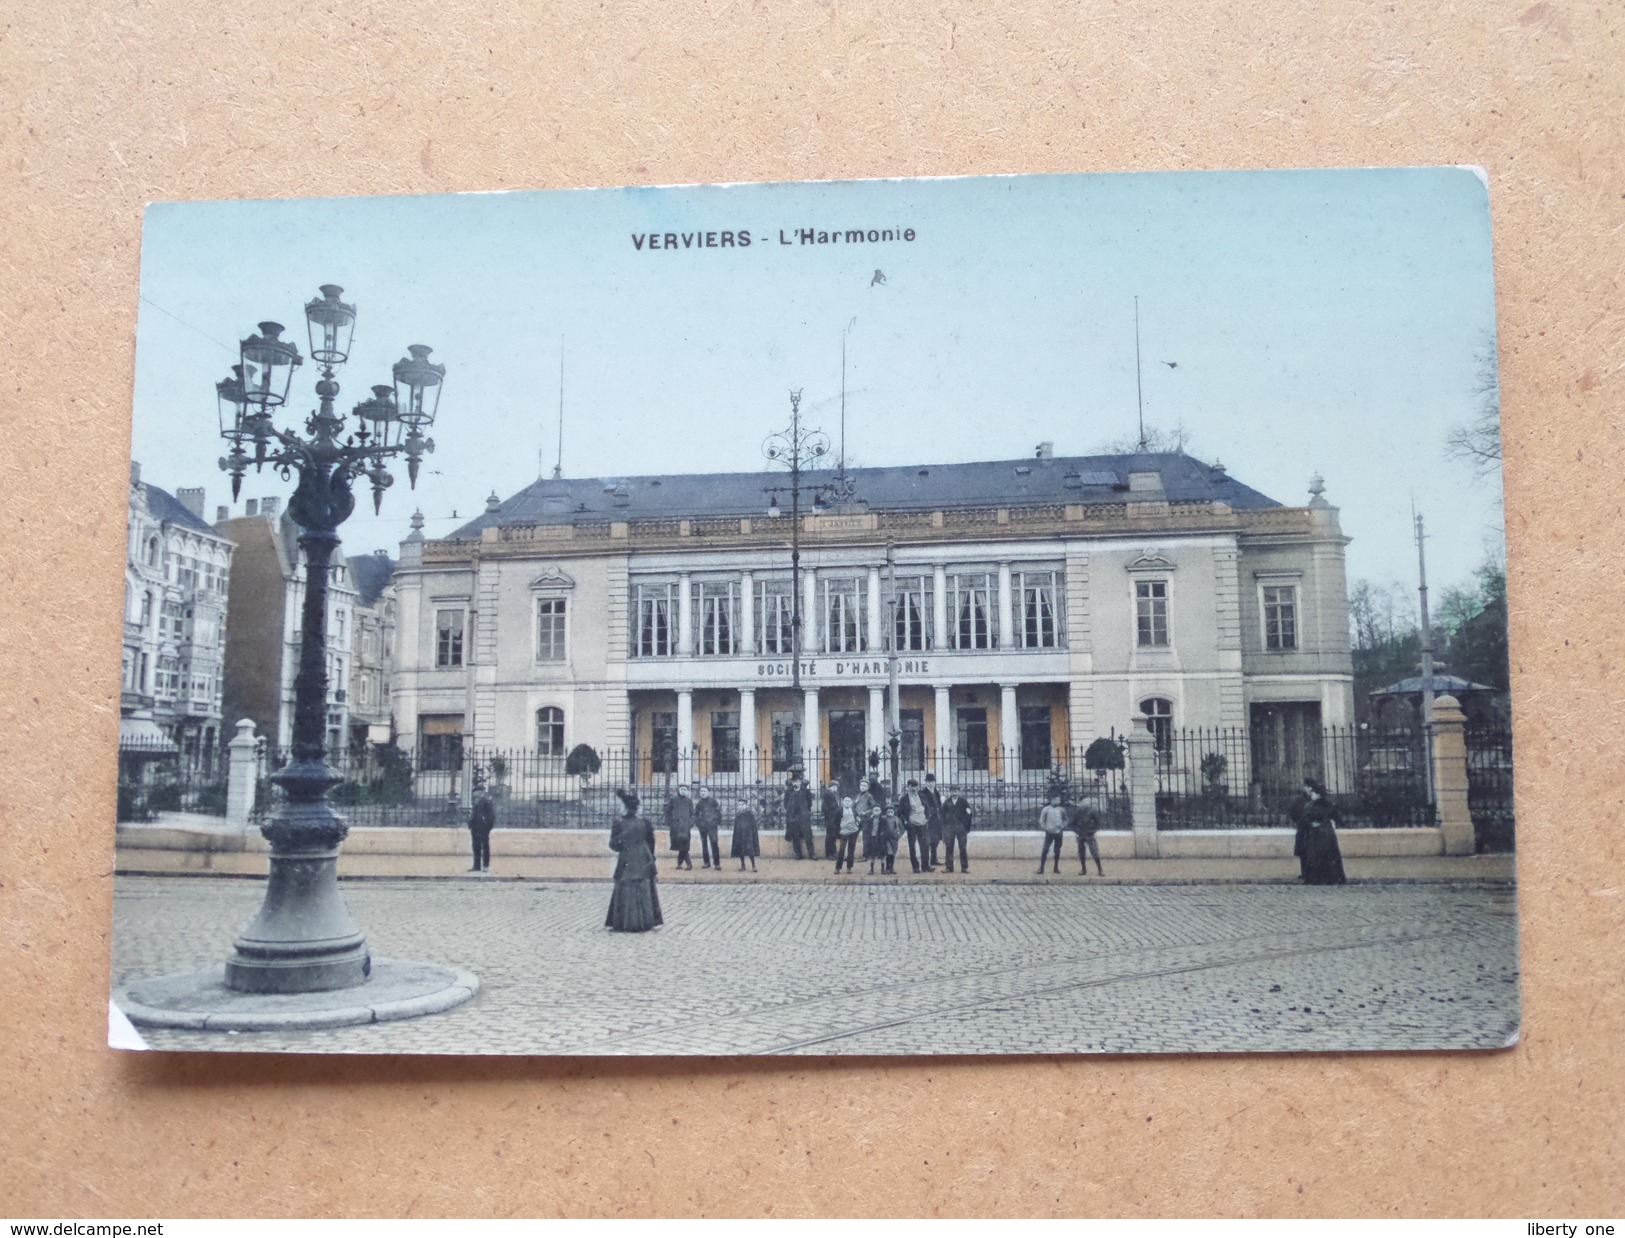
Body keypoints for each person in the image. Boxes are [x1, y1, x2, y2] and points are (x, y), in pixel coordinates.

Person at [606, 788, 663, 932]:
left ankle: (624, 922)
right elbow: (651, 843)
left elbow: (614, 845)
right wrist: (650, 858)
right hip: (644, 859)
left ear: (625, 807)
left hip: (626, 859)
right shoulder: (646, 823)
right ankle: (647, 921)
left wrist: (622, 844)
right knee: (645, 889)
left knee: (625, 889)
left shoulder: (619, 824)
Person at [1290, 777, 1347, 884]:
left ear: (1317, 794)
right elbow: (1338, 819)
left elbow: (1303, 820)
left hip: (1315, 835)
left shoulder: (1309, 806)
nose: (1312, 795)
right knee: (1330, 857)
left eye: (1313, 793)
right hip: (1328, 834)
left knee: (1315, 857)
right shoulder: (1329, 805)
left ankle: (1316, 878)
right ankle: (1332, 877)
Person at [900, 778, 931, 873]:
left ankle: (925, 866)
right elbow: (900, 813)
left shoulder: (922, 796)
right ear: (908, 787)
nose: (914, 788)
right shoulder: (904, 798)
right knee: (912, 846)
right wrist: (906, 822)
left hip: (922, 823)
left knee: (925, 844)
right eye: (911, 786)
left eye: (916, 786)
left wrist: (927, 818)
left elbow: (927, 808)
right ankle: (915, 867)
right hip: (912, 824)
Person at [1069, 799, 1106, 876]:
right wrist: (1077, 831)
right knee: (1081, 852)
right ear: (1080, 803)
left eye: (1087, 801)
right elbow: (1071, 823)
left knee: (1094, 851)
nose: (1085, 803)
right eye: (1083, 802)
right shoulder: (1077, 812)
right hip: (1080, 834)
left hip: (1089, 834)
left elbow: (1099, 822)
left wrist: (1092, 830)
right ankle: (1083, 869)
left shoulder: (1092, 811)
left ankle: (1100, 869)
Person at [784, 771, 816, 860]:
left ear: (800, 782)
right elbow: (786, 804)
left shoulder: (805, 792)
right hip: (794, 818)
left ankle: (812, 854)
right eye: (794, 781)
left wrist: (805, 812)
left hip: (804, 817)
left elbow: (809, 804)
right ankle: (798, 854)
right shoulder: (788, 792)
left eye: (797, 781)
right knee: (795, 837)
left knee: (808, 836)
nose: (795, 783)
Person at [939, 785, 972, 873]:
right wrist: (945, 828)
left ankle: (964, 867)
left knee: (963, 847)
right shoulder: (947, 802)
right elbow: (942, 816)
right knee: (949, 847)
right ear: (950, 792)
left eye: (956, 791)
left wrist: (966, 827)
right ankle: (949, 867)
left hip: (961, 828)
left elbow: (969, 814)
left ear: (959, 792)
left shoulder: (963, 802)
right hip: (950, 828)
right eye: (952, 791)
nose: (954, 793)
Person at [664, 783, 695, 870]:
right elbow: (667, 812)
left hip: (685, 827)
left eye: (685, 790)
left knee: (684, 845)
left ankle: (687, 864)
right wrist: (670, 823)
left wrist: (690, 823)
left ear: (687, 791)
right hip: (676, 827)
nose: (683, 791)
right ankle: (681, 863)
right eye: (682, 789)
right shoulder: (673, 800)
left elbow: (692, 813)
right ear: (679, 790)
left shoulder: (689, 801)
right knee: (680, 845)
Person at [1038, 791, 1069, 874]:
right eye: (1055, 800)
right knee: (1045, 849)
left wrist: (1062, 826)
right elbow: (1041, 820)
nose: (1057, 801)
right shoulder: (1046, 809)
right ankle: (1041, 867)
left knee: (1057, 850)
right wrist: (1045, 828)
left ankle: (1056, 867)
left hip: (1058, 833)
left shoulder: (1061, 810)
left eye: (1058, 800)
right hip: (1049, 832)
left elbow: (1065, 819)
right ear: (1051, 800)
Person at [694, 784, 723, 869]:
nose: (703, 793)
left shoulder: (713, 802)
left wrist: (716, 822)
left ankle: (717, 863)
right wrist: (699, 824)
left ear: (708, 792)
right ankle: (706, 862)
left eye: (704, 791)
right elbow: (696, 815)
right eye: (701, 791)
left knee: (714, 843)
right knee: (704, 844)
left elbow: (718, 813)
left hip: (712, 826)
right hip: (703, 827)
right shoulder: (699, 804)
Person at [920, 772, 944, 868]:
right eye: (929, 781)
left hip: (937, 820)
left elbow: (939, 804)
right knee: (928, 841)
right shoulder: (923, 793)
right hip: (929, 820)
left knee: (936, 840)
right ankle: (927, 862)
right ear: (926, 782)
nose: (930, 783)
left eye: (932, 781)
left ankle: (934, 859)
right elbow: (925, 806)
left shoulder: (936, 792)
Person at [467, 791, 495, 872]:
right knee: (476, 847)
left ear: (481, 793)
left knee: (485, 846)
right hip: (475, 827)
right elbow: (473, 814)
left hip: (483, 828)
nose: (474, 794)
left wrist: (487, 827)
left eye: (477, 792)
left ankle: (485, 865)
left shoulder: (487, 802)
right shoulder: (475, 802)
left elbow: (491, 816)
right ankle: (476, 866)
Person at [731, 797, 761, 872]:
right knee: (741, 851)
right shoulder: (738, 815)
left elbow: (753, 825)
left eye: (742, 805)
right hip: (740, 835)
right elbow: (736, 826)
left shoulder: (749, 814)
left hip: (748, 835)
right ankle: (742, 865)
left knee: (750, 851)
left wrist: (753, 834)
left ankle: (753, 865)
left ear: (746, 806)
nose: (741, 806)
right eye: (739, 805)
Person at [835, 795, 860, 873]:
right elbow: (835, 822)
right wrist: (837, 832)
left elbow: (858, 820)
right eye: (845, 801)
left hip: (853, 832)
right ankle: (838, 868)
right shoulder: (839, 811)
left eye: (849, 801)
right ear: (843, 802)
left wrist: (857, 828)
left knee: (851, 850)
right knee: (842, 849)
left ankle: (849, 867)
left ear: (851, 803)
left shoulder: (854, 810)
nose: (847, 802)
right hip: (843, 833)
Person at [821, 781, 843, 859]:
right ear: (833, 786)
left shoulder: (830, 794)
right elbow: (830, 807)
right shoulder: (829, 794)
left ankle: (832, 853)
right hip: (831, 818)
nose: (836, 789)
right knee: (830, 837)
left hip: (832, 818)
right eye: (836, 787)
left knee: (832, 836)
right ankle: (830, 854)